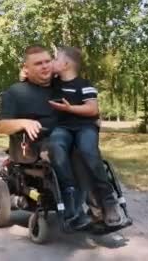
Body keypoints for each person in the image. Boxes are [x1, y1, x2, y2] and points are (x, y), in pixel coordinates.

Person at [0, 45, 91, 229]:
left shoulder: (62, 86)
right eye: (38, 63)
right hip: (33, 147)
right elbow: (0, 125)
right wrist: (23, 122)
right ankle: (74, 213)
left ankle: (99, 207)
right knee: (69, 153)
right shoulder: (15, 92)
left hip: (66, 138)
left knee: (88, 152)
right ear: (26, 68)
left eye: (48, 61)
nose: (45, 66)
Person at [47, 46, 122, 227]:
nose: (52, 62)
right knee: (56, 145)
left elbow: (92, 109)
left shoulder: (85, 85)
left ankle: (108, 201)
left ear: (65, 64)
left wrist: (69, 108)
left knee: (89, 151)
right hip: (63, 128)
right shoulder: (53, 83)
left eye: (55, 59)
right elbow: (32, 77)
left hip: (85, 127)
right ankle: (71, 197)